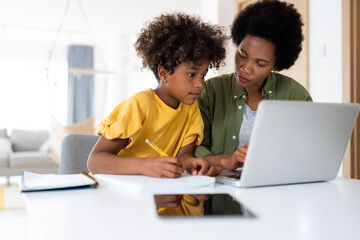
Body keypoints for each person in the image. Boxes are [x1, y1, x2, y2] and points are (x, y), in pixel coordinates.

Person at [87, 12, 227, 177]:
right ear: (164, 73)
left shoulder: (191, 109)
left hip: (157, 193)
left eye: (203, 75)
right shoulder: (140, 104)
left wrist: (192, 163)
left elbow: (184, 156)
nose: (200, 83)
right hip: (118, 193)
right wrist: (145, 165)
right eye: (191, 74)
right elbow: (95, 161)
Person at [195, 0, 312, 170]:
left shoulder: (295, 95)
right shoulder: (211, 91)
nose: (245, 68)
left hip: (277, 189)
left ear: (276, 65)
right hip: (222, 192)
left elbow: (306, 152)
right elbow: (194, 149)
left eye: (260, 63)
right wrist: (227, 160)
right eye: (242, 54)